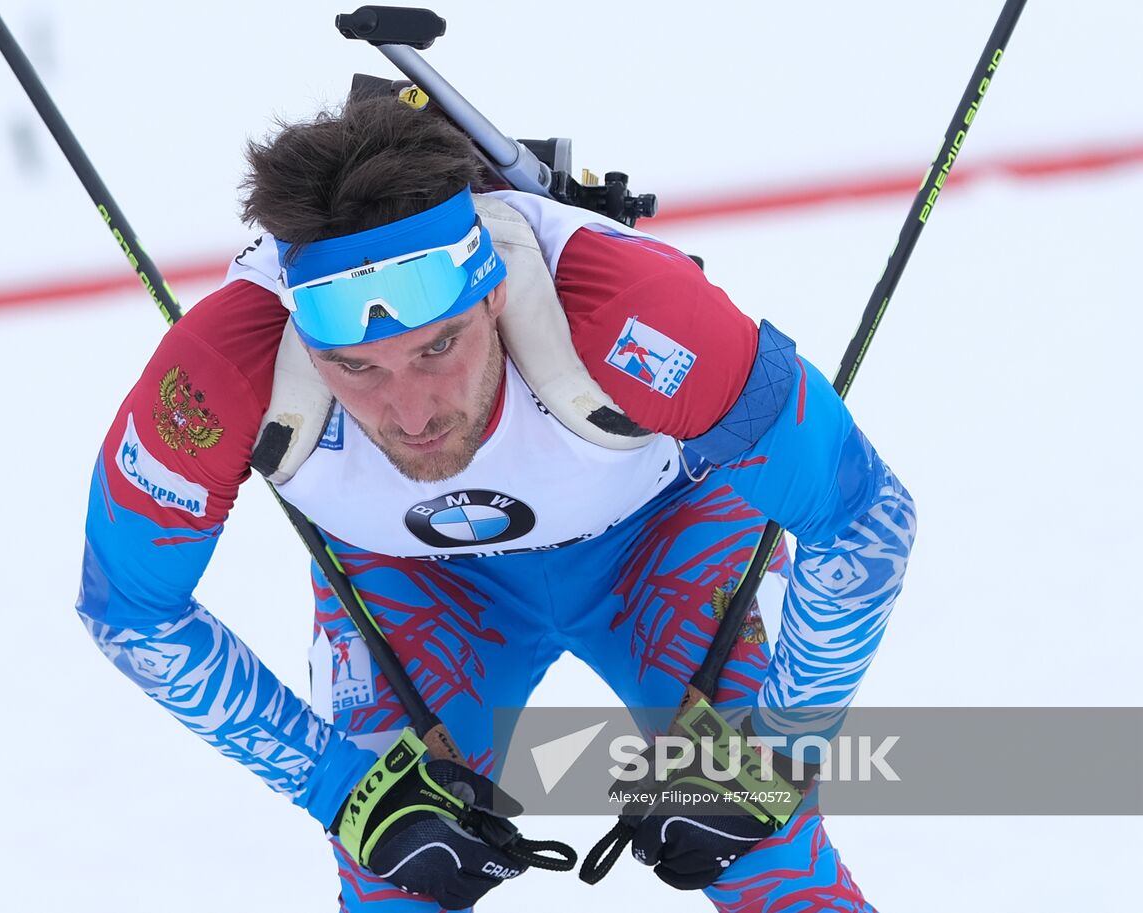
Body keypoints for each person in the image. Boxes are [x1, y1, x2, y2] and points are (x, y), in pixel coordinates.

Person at [76, 95, 916, 911]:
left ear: (495, 291)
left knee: (768, 856)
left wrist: (774, 749)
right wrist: (339, 789)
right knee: (399, 869)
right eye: (355, 368)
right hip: (411, 579)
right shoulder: (220, 372)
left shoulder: (622, 304)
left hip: (662, 538)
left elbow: (864, 517)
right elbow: (130, 609)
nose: (412, 413)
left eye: (438, 345)